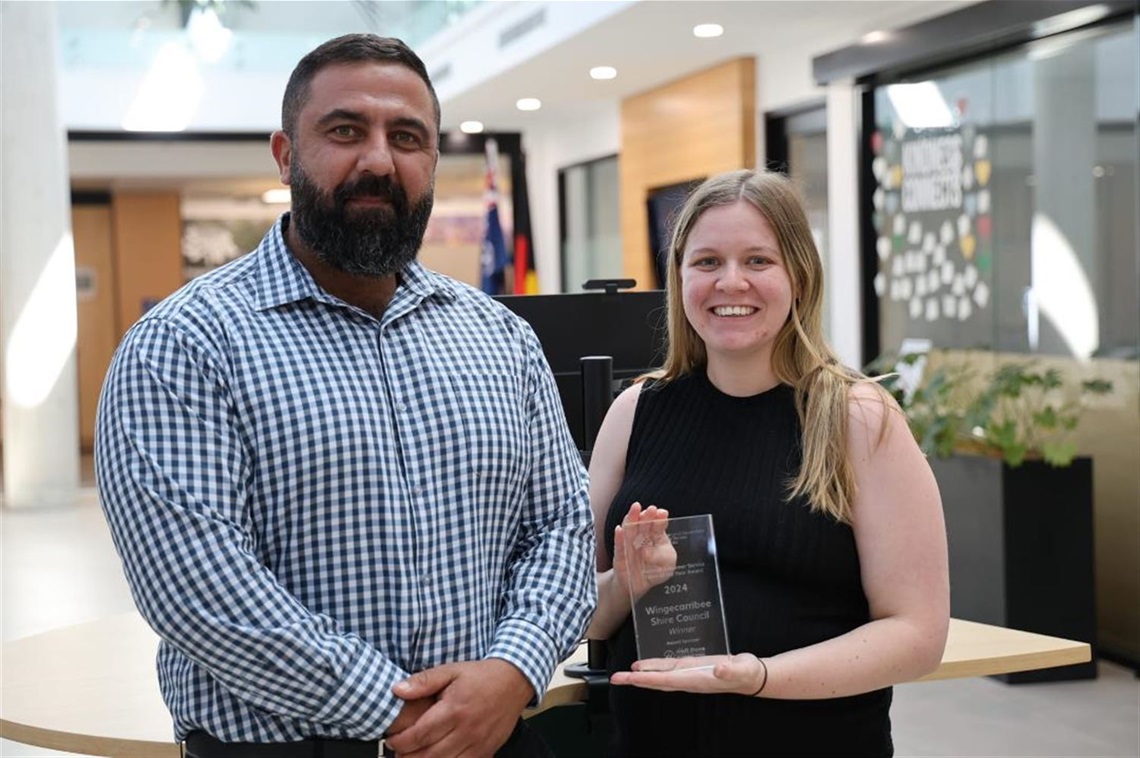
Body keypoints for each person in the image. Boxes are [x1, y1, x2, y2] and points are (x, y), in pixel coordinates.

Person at [95, 33, 596, 758]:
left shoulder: (502, 338)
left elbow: (562, 527)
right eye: (344, 131)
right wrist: (399, 715)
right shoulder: (184, 345)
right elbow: (198, 587)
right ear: (284, 154)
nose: (378, 160)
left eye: (407, 137)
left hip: (494, 734)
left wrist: (514, 669)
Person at [586, 169, 949, 757]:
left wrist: (757, 676)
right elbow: (587, 620)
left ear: (800, 277)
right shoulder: (634, 412)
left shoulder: (858, 417)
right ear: (679, 279)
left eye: (758, 261)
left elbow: (917, 636)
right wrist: (627, 583)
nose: (732, 282)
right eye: (707, 262)